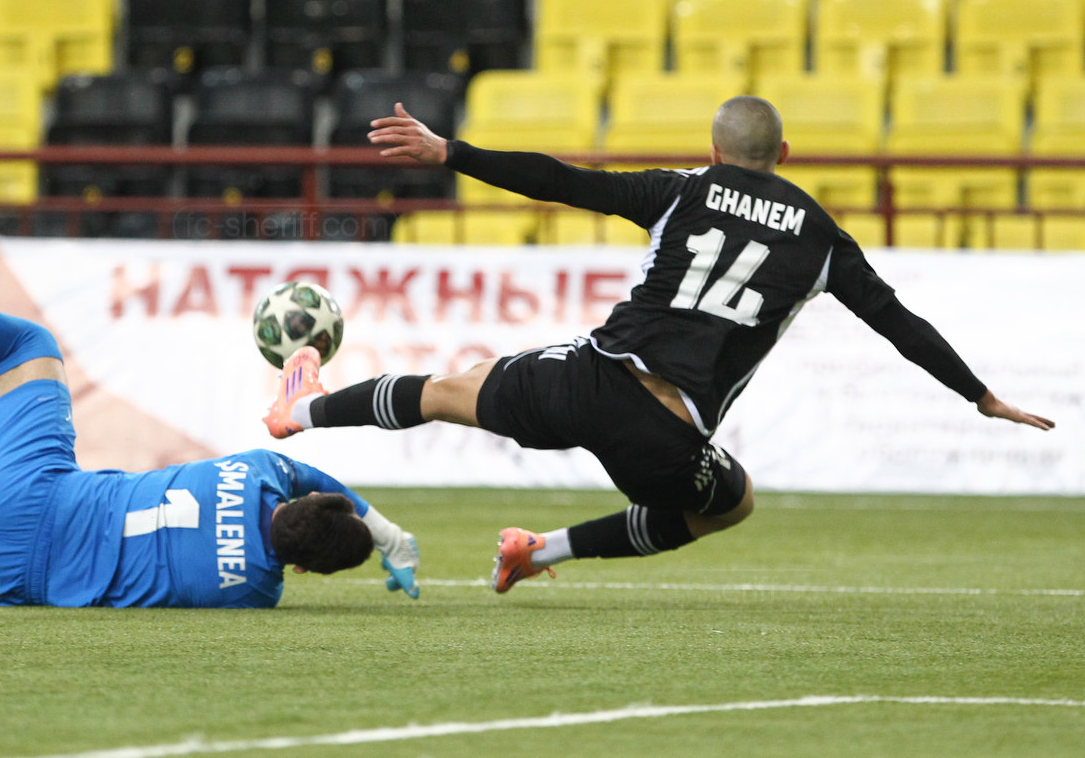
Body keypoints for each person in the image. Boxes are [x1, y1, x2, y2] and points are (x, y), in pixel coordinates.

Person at [265, 97, 1055, 594]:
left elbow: (562, 180)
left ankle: (300, 412)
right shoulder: (822, 240)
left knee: (450, 390)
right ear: (783, 157)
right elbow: (897, 322)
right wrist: (979, 396)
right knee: (730, 504)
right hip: (667, 434)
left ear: (715, 150)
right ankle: (540, 553)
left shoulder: (682, 191)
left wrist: (453, 154)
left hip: (590, 377)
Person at [0, 220, 421, 609]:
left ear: (300, 501)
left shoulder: (259, 471)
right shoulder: (254, 592)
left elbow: (313, 478)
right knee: (1, 516)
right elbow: (291, 536)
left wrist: (389, 535)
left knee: (26, 344)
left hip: (31, 497)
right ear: (304, 568)